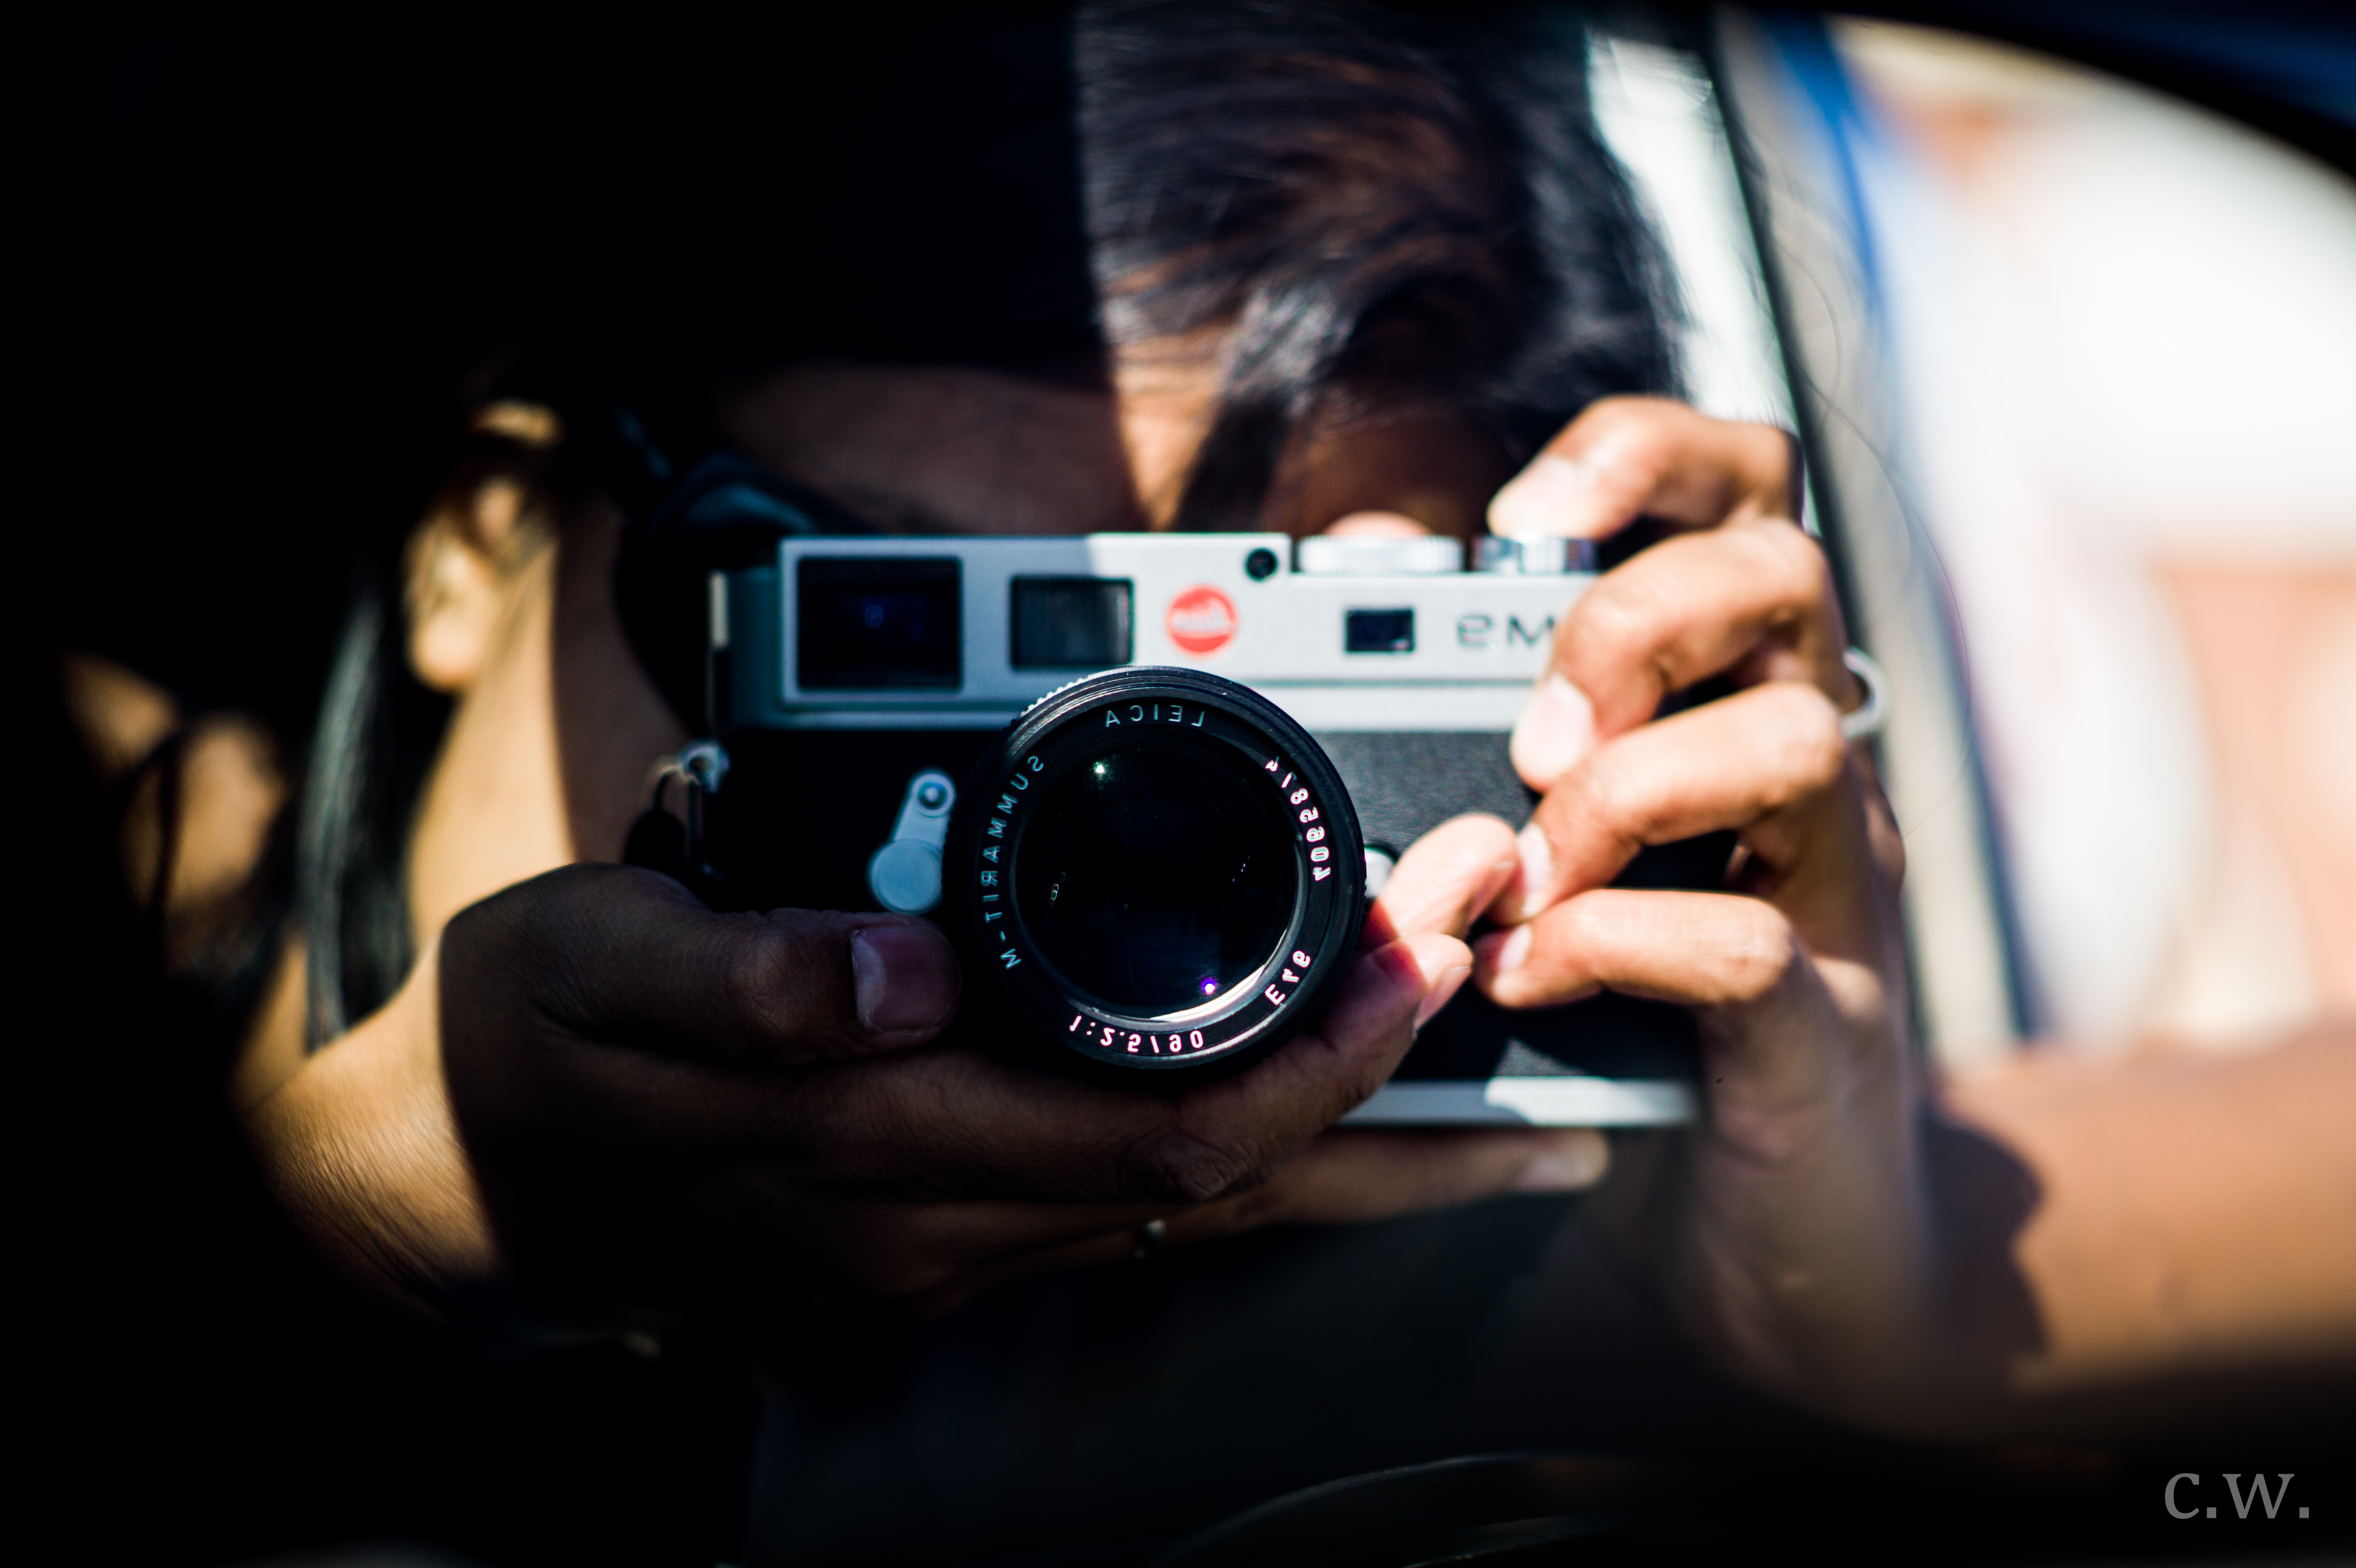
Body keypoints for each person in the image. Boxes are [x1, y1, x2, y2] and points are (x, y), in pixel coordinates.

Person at [48, 3, 2353, 1560]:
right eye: (910, 643)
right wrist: (371, 1206)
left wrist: (1878, 1276)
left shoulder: (1409, 1230)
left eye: (1280, 706)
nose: (1110, 824)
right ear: (476, 536)